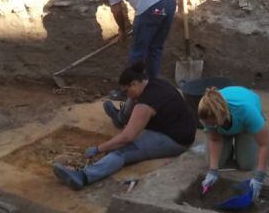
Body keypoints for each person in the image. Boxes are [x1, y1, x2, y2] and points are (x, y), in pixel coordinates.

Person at [53, 62, 196, 190]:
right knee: (132, 101)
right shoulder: (153, 83)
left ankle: (84, 177)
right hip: (178, 127)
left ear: (134, 84)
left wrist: (98, 149)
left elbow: (127, 137)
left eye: (125, 90)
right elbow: (135, 98)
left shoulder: (146, 104)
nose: (125, 94)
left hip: (175, 140)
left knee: (122, 151)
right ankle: (120, 118)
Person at [100, 0, 177, 80]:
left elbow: (116, 9)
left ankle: (132, 91)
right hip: (170, 1)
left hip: (150, 5)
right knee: (155, 48)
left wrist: (122, 31)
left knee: (138, 51)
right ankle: (152, 87)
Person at [197, 85, 269, 203]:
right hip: (223, 125)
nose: (208, 125)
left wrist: (259, 177)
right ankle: (228, 143)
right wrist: (213, 170)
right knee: (217, 162)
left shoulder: (247, 110)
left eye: (212, 123)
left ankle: (240, 140)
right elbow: (214, 139)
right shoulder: (206, 114)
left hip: (245, 125)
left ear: (221, 116)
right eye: (208, 123)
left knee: (246, 165)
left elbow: (265, 144)